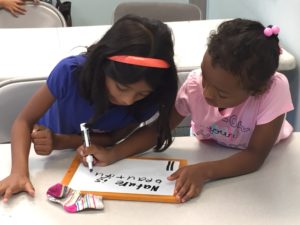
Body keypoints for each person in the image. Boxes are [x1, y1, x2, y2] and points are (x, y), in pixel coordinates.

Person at [96, 18, 294, 203]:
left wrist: (205, 171)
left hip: (270, 160)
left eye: (222, 94)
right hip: (207, 149)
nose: (206, 93)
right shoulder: (194, 85)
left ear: (258, 90)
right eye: (205, 78)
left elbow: (255, 155)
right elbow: (160, 128)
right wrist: (114, 152)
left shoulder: (273, 90)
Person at [0, 14, 178, 202]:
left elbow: (112, 138)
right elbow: (23, 121)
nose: (127, 100)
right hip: (47, 155)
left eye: (141, 94)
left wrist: (61, 141)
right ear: (102, 65)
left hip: (85, 156)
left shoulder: (151, 98)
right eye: (121, 88)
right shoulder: (70, 73)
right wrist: (18, 172)